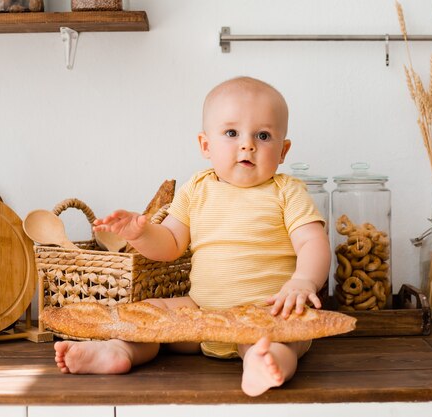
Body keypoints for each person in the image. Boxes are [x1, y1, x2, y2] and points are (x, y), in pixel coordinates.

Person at [53, 76, 331, 397]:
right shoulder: (196, 189)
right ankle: (118, 351)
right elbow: (170, 244)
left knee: (281, 342)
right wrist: (141, 233)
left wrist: (303, 281)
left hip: (266, 314)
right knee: (150, 315)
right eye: (231, 133)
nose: (247, 144)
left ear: (283, 150)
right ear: (205, 145)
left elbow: (313, 242)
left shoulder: (287, 192)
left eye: (263, 135)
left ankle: (263, 362)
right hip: (201, 313)